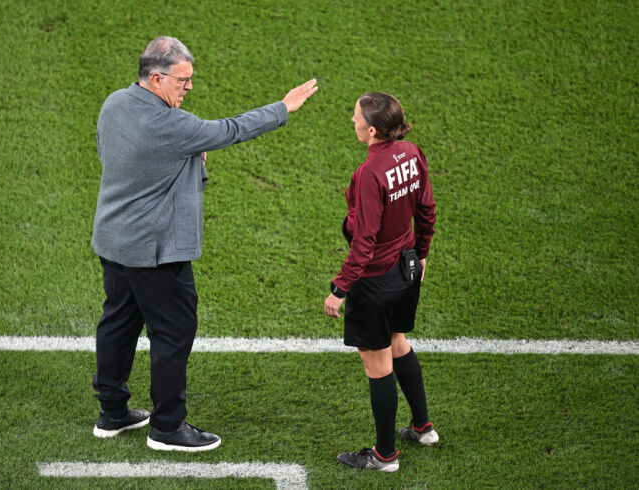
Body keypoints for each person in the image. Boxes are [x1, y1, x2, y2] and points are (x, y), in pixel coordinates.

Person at [90, 36, 317, 452]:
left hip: (113, 241)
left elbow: (117, 155)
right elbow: (229, 131)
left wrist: (187, 159)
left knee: (118, 324)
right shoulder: (171, 125)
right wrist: (282, 108)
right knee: (174, 333)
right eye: (183, 80)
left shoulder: (113, 104)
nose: (189, 87)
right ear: (156, 79)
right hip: (156, 253)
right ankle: (167, 428)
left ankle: (112, 412)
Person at [324, 92, 438, 472]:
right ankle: (422, 427)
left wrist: (340, 288)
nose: (351, 120)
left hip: (375, 280)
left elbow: (365, 240)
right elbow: (426, 208)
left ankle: (385, 454)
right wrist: (421, 252)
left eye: (355, 116)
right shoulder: (411, 152)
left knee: (377, 363)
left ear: (372, 130)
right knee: (398, 343)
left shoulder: (369, 174)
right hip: (407, 268)